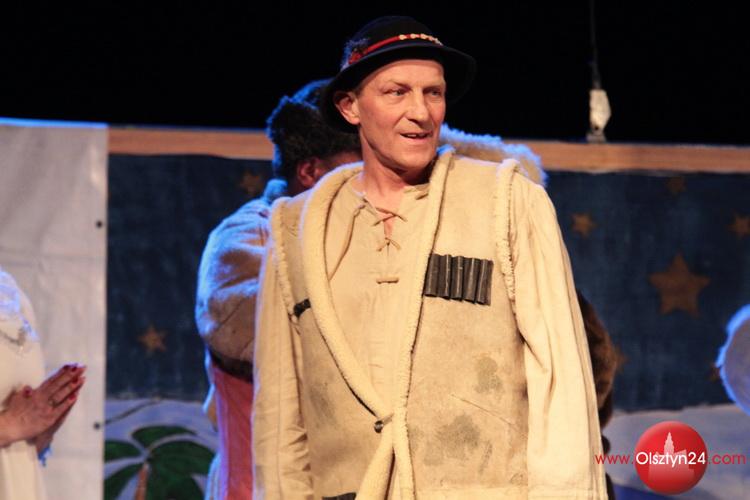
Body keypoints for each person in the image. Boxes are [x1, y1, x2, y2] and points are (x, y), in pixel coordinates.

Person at [252, 15, 606, 499]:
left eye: (433, 93)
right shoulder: (295, 228)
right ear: (350, 106)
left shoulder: (507, 201)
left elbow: (560, 381)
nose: (420, 112)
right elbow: (279, 415)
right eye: (396, 92)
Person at [194, 79, 361, 499]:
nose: (373, 185)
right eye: (359, 169)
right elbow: (250, 328)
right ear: (311, 172)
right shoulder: (246, 237)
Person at [0, 265, 85, 500]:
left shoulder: (9, 289)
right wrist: (8, 426)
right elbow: (12, 426)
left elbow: (22, 446)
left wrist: (43, 427)